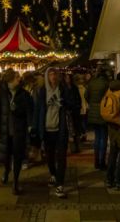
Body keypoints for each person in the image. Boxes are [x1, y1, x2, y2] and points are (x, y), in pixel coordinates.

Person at [0, 69, 33, 195]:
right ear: (10, 79)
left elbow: (29, 110)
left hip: (18, 130)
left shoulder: (24, 94)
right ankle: (6, 171)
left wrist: (30, 125)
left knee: (17, 156)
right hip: (5, 130)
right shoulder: (2, 93)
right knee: (6, 155)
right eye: (16, 77)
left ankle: (15, 181)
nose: (19, 79)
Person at [34, 68, 71, 199]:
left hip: (60, 129)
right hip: (46, 129)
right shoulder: (42, 92)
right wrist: (36, 128)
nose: (53, 76)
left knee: (61, 157)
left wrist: (64, 103)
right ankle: (53, 175)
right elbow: (38, 110)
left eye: (55, 74)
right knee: (49, 156)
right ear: (46, 77)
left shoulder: (63, 89)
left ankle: (60, 184)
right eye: (50, 74)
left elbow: (72, 104)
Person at [86, 67, 110, 170]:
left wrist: (92, 102)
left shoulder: (91, 83)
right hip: (103, 112)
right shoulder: (106, 83)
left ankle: (96, 162)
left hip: (93, 113)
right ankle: (102, 162)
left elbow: (86, 95)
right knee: (103, 138)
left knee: (97, 138)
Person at [63, 72, 84, 154]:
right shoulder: (63, 88)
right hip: (68, 111)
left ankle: (77, 146)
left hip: (75, 111)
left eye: (69, 78)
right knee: (70, 130)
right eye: (66, 78)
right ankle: (72, 147)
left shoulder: (74, 88)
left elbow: (78, 98)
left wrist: (78, 106)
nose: (67, 79)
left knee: (76, 129)